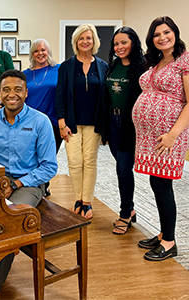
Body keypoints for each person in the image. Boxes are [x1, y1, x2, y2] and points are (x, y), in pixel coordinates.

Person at [0, 69, 58, 299]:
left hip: (30, 183)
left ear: (26, 93)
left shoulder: (41, 122)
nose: (12, 94)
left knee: (9, 218)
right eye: (6, 89)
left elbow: (49, 167)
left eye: (18, 89)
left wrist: (17, 184)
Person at [132, 16, 189, 261]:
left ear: (175, 33)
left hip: (170, 135)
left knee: (163, 186)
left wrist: (172, 135)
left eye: (167, 32)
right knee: (157, 184)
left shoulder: (185, 61)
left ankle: (169, 242)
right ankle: (164, 232)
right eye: (156, 34)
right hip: (152, 136)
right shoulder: (157, 62)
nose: (162, 37)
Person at [55, 24, 108, 219]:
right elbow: (59, 95)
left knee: (90, 161)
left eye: (89, 38)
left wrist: (106, 127)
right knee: (75, 162)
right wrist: (61, 122)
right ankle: (78, 199)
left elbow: (106, 97)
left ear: (94, 41)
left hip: (94, 123)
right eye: (81, 38)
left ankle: (87, 202)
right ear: (75, 41)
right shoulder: (66, 66)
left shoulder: (102, 66)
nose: (85, 42)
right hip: (71, 123)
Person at [103, 27, 145, 234]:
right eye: (116, 44)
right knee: (122, 166)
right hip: (113, 122)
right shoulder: (113, 66)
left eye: (124, 43)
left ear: (134, 43)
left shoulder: (143, 68)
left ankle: (125, 212)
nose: (119, 47)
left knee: (123, 168)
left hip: (131, 125)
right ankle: (131, 207)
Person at [23, 38, 62, 197]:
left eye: (43, 50)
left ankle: (43, 186)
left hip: (53, 122)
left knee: (47, 157)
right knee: (32, 157)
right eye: (36, 51)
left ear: (48, 51)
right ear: (32, 54)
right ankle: (34, 187)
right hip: (30, 123)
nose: (40, 53)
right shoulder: (25, 74)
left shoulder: (58, 70)